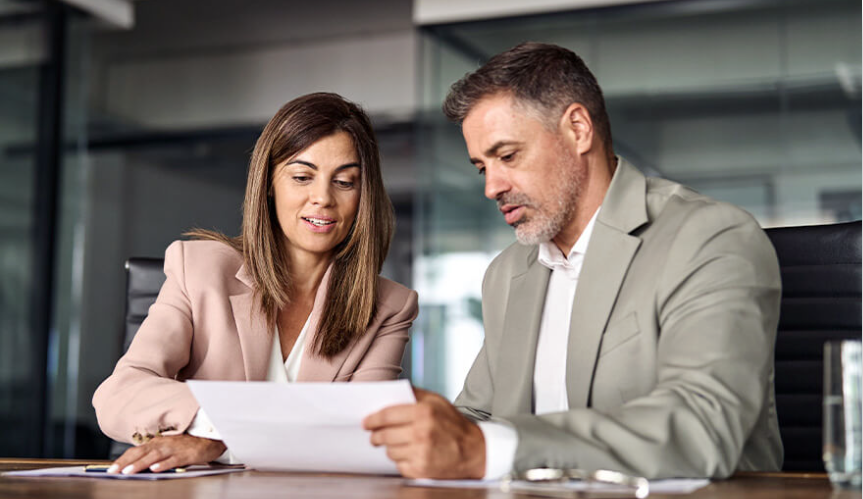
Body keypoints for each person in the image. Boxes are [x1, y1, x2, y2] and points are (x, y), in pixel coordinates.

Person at [363, 42, 783, 480]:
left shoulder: (708, 237)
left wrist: (490, 448)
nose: (492, 187)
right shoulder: (507, 273)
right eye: (482, 167)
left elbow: (703, 426)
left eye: (507, 156)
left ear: (578, 129)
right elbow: (478, 418)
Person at [93, 92, 418, 474]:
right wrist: (217, 430)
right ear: (268, 184)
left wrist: (223, 439)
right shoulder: (198, 268)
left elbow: (365, 437)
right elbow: (119, 394)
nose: (323, 198)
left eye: (345, 182)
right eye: (302, 177)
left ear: (364, 196)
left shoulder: (390, 306)